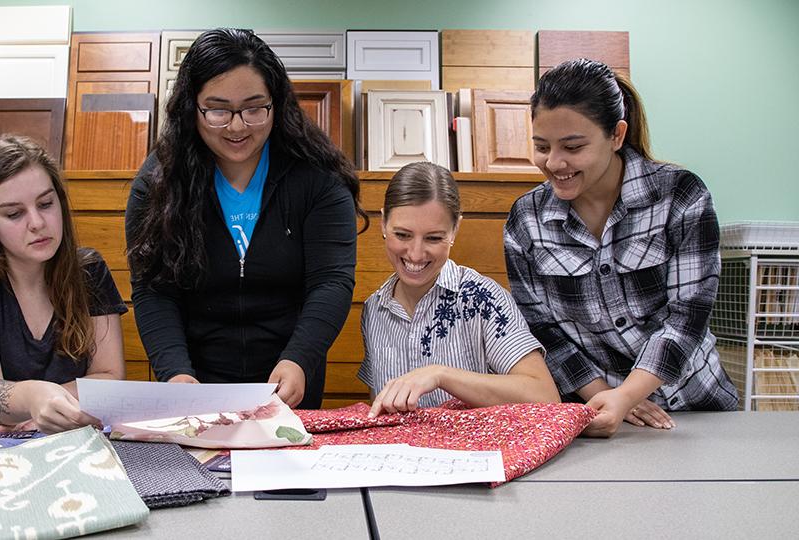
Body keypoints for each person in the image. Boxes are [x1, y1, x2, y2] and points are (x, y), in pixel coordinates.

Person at [125, 28, 365, 409]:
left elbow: (331, 281)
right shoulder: (159, 182)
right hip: (194, 383)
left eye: (254, 108)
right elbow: (154, 289)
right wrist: (174, 371)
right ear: (192, 107)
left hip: (288, 381)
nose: (237, 126)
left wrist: (299, 358)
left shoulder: (317, 176)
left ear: (277, 103)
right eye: (218, 109)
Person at [504, 58, 739, 437]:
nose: (555, 162)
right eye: (542, 146)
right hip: (597, 415)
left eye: (573, 146)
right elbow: (544, 331)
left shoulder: (680, 195)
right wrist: (607, 398)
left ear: (616, 135)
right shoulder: (526, 220)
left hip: (696, 407)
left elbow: (687, 317)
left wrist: (628, 395)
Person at [0, 136, 127, 434]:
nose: (37, 222)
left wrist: (46, 409)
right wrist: (35, 399)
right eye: (14, 214)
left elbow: (109, 376)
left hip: (59, 435)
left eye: (46, 204)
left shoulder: (89, 271)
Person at [359, 162, 560, 417]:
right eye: (402, 235)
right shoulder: (373, 309)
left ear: (455, 229)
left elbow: (544, 396)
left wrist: (441, 375)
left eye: (433, 238)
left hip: (474, 453)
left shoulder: (484, 299)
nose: (416, 253)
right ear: (383, 222)